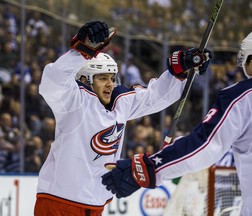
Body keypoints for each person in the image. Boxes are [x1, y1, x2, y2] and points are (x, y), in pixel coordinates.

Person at [102, 27, 252, 216]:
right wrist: (178, 73)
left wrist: (150, 167)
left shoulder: (242, 95)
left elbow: (204, 146)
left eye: (247, 59)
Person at [34, 20, 211, 216]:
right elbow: (53, 81)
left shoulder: (121, 103)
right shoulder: (73, 102)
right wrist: (81, 51)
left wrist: (180, 71)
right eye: (102, 78)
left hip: (95, 205)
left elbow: (155, 97)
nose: (110, 84)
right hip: (58, 203)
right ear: (84, 79)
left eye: (112, 78)